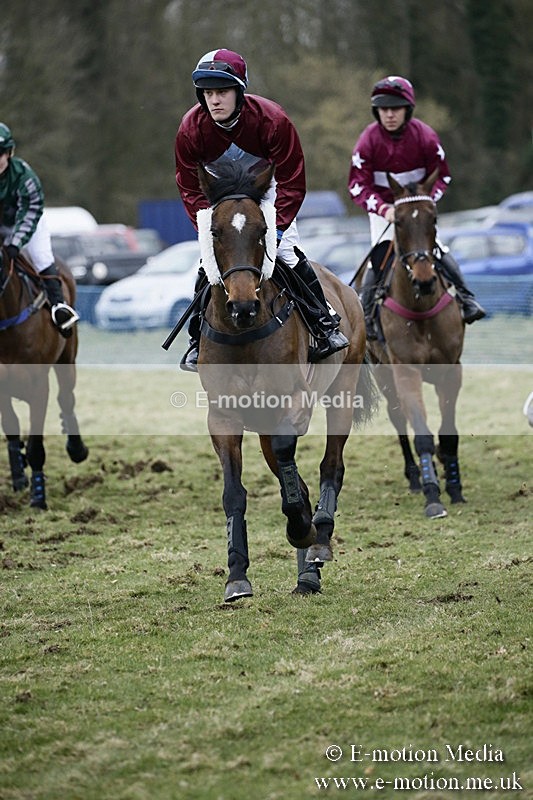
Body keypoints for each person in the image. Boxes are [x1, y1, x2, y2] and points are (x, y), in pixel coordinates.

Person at [175, 48, 349, 371]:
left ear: (239, 91)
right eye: (208, 93)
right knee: (209, 265)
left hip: (269, 194)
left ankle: (324, 324)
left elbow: (293, 180)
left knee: (286, 255)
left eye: (222, 92)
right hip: (219, 201)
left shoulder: (273, 121)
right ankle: (197, 339)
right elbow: (188, 185)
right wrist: (208, 225)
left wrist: (277, 227)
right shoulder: (191, 129)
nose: (214, 100)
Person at [348, 76, 486, 340]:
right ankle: (366, 318)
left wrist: (427, 201)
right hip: (386, 209)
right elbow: (356, 185)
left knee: (437, 249)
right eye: (383, 109)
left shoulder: (425, 136)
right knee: (379, 256)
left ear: (407, 110)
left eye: (395, 108)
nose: (389, 114)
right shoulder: (367, 141)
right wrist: (383, 208)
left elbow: (443, 176)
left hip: (418, 208)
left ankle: (467, 300)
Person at [0, 122, 79, 337]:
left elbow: (30, 210)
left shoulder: (24, 176)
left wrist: (16, 242)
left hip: (27, 223)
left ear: (9, 153)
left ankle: (59, 308)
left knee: (42, 257)